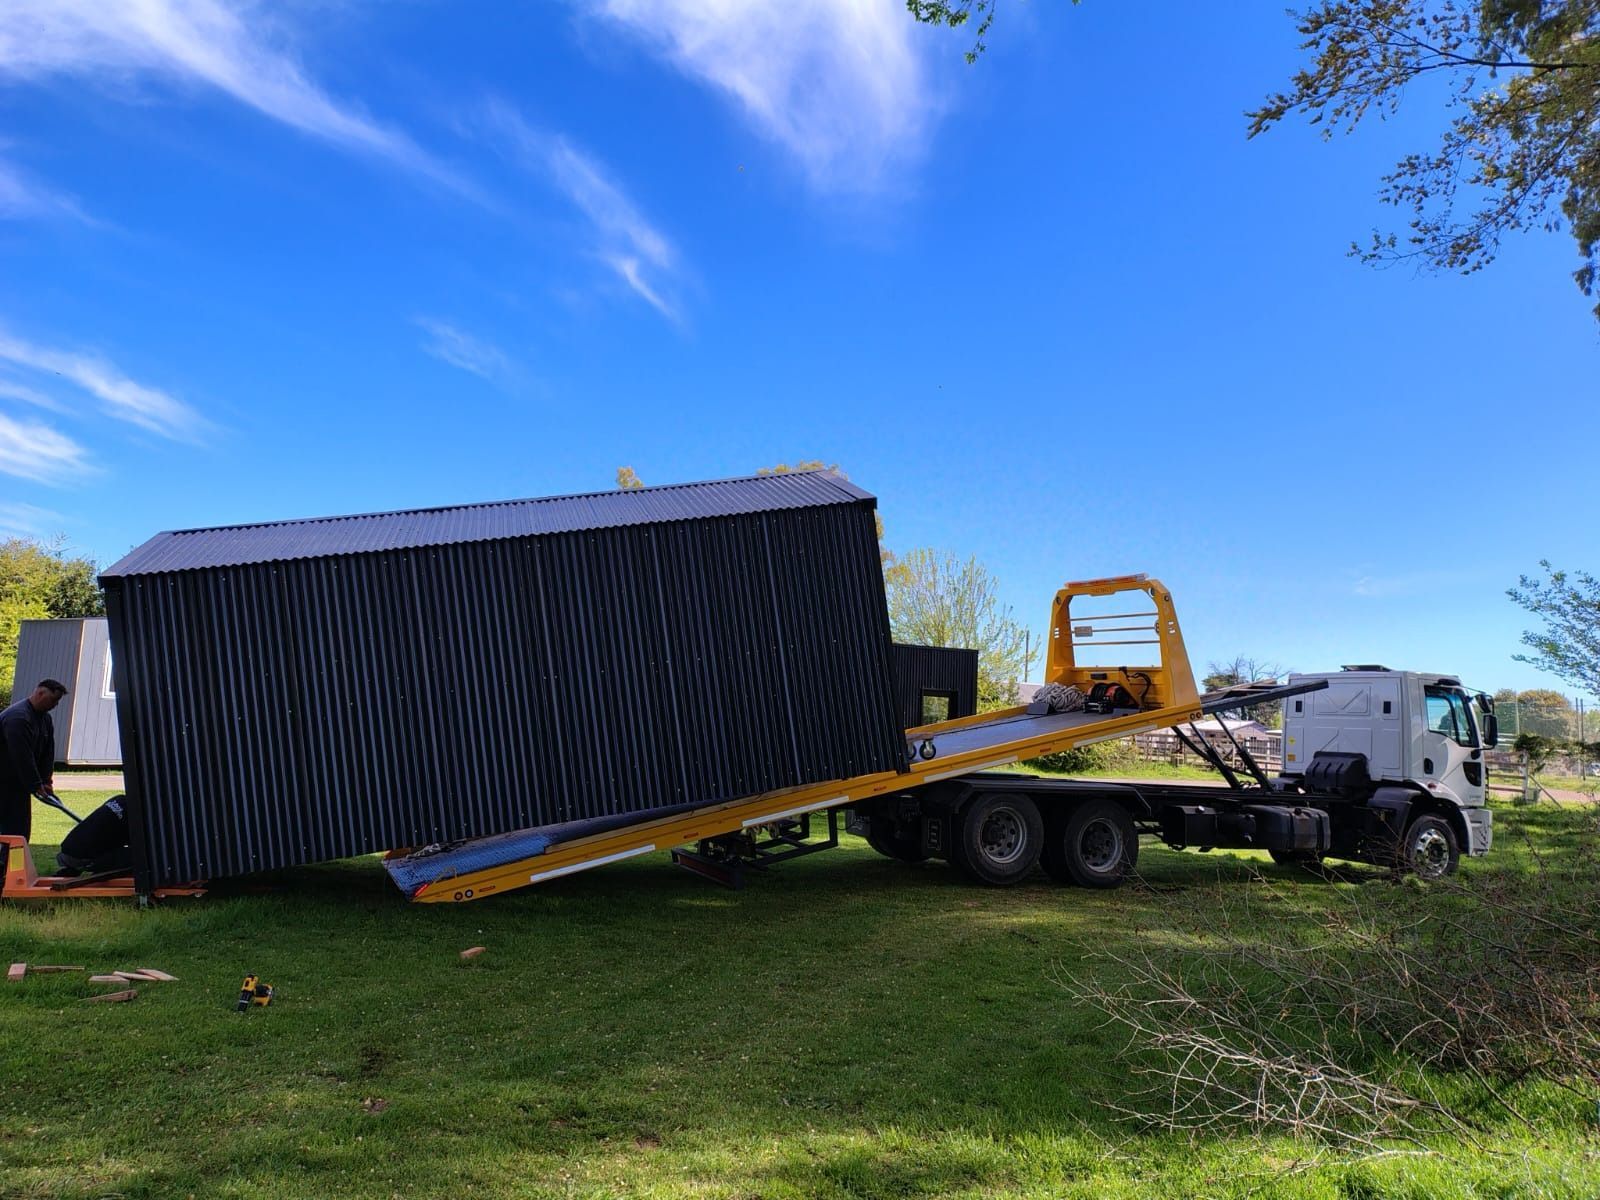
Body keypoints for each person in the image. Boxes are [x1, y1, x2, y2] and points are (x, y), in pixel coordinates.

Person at [0, 678, 67, 842]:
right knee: (12, 829)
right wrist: (36, 785)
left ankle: (11, 857)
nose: (55, 705)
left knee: (19, 830)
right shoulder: (18, 718)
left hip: (18, 784)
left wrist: (46, 781)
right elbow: (22, 756)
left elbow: (47, 753)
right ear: (40, 693)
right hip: (4, 781)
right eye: (53, 700)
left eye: (57, 701)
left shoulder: (45, 719)